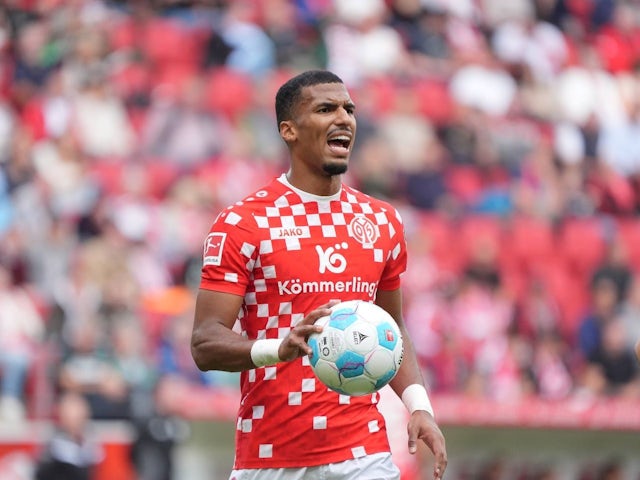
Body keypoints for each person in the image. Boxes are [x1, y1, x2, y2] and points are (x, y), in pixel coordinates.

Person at [191, 70, 447, 480]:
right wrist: (280, 348)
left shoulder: (382, 221)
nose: (343, 118)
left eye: (349, 109)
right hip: (269, 457)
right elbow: (205, 342)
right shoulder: (243, 223)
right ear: (289, 131)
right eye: (326, 109)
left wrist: (419, 406)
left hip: (364, 454)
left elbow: (391, 327)